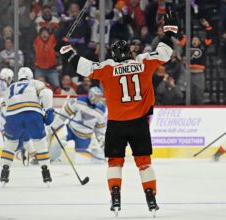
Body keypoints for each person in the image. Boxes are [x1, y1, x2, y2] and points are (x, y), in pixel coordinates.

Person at [56, 9, 178, 216]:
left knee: (115, 162)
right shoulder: (142, 62)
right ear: (129, 53)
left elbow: (82, 66)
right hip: (139, 123)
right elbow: (165, 53)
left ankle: (115, 197)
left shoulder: (107, 68)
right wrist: (169, 32)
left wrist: (66, 50)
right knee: (144, 162)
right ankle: (151, 197)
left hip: (116, 124)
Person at [0, 67, 54, 186]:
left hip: (12, 115)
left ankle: (4, 171)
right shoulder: (35, 83)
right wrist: (48, 111)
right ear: (30, 76)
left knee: (10, 143)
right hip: (32, 114)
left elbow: (4, 104)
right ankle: (46, 172)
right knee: (40, 143)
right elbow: (47, 93)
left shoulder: (10, 87)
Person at [48, 87, 106, 164]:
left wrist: (101, 138)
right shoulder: (80, 101)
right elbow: (64, 114)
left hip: (85, 136)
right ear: (90, 95)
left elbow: (99, 128)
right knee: (58, 140)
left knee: (81, 159)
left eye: (99, 97)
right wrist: (55, 126)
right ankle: (51, 159)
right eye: (96, 96)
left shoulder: (101, 109)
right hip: (70, 129)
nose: (98, 99)